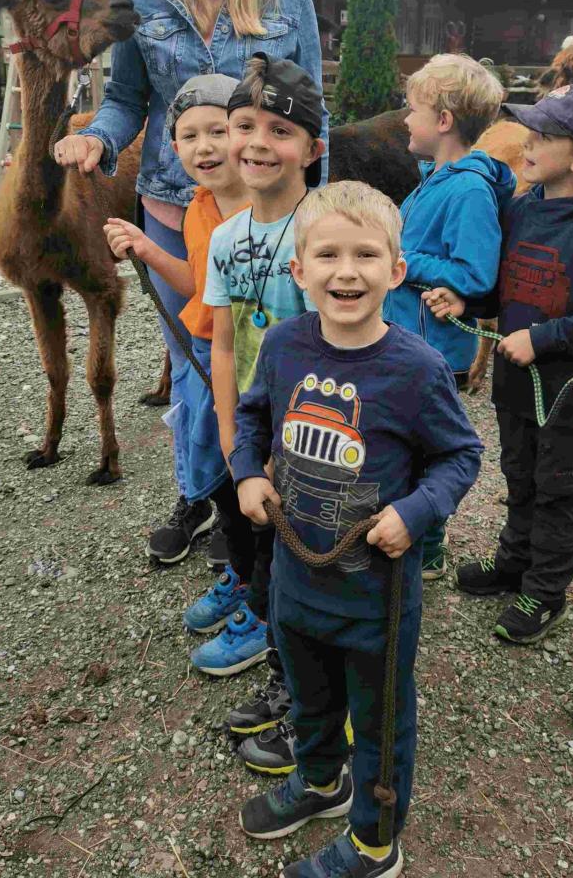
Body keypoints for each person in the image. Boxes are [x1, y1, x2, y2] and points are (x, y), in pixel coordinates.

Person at [52, 0, 327, 563]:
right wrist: (96, 139)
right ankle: (199, 492)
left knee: (259, 360)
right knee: (195, 362)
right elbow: (126, 99)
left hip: (265, 216)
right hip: (176, 212)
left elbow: (313, 112)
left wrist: (317, 218)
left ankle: (258, 499)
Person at [234, 181, 482, 878]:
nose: (347, 272)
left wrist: (416, 512)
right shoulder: (282, 346)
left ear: (396, 270)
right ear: (299, 270)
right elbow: (252, 417)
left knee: (379, 723)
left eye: (366, 255)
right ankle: (321, 783)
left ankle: (375, 841)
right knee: (311, 701)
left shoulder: (417, 368)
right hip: (295, 582)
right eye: (328, 255)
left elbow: (461, 455)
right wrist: (248, 473)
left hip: (377, 599)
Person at [446, 86, 573, 643]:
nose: (527, 143)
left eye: (544, 136)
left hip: (565, 389)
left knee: (558, 487)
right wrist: (465, 303)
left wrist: (542, 339)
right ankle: (513, 561)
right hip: (513, 379)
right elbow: (499, 288)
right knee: (518, 472)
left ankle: (547, 592)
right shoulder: (520, 208)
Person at [191, 52, 324, 702]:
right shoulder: (225, 238)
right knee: (242, 515)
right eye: (244, 126)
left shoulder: (325, 232)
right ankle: (255, 602)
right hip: (248, 418)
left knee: (290, 541)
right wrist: (229, 433)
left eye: (280, 130)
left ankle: (278, 638)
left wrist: (285, 442)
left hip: (307, 429)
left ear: (312, 148)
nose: (257, 143)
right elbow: (223, 343)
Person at [102, 74, 248, 570]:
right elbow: (197, 283)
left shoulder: (268, 209)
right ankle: (208, 509)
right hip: (204, 345)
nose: (204, 147)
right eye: (189, 136)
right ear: (175, 148)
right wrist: (145, 248)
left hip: (250, 353)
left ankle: (241, 526)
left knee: (243, 436)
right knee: (199, 432)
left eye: (217, 131)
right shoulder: (198, 209)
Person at [383, 54, 515, 579]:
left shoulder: (467, 189)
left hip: (433, 351)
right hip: (410, 339)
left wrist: (404, 261)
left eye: (412, 109)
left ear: (442, 121)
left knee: (426, 450)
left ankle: (429, 548)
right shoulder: (435, 178)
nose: (404, 119)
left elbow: (475, 273)